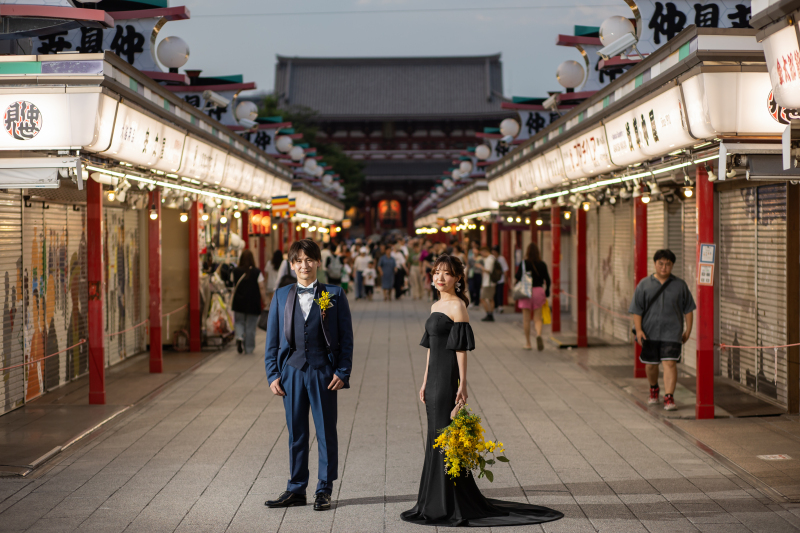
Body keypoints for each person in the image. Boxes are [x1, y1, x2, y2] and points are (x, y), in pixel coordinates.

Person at [401, 254, 563, 527]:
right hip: (433, 380)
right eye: (437, 272)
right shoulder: (435, 305)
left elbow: (461, 349)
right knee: (436, 437)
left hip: (447, 378)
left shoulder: (457, 306)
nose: (440, 277)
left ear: (458, 278)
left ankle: (448, 502)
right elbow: (431, 348)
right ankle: (434, 499)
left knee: (445, 437)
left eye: (447, 273)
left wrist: (463, 383)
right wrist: (425, 380)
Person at [264, 239, 354, 511]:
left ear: (318, 262)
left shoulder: (334, 294)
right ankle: (296, 488)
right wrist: (272, 374)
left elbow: (346, 337)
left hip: (323, 372)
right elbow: (272, 340)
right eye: (299, 261)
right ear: (292, 265)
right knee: (296, 432)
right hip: (291, 372)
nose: (304, 265)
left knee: (326, 432)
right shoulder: (281, 295)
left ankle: (324, 489)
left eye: (309, 260)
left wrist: (342, 371)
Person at [630, 249, 696, 411]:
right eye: (661, 263)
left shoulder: (680, 285)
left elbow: (688, 309)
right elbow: (637, 310)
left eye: (668, 264)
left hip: (672, 333)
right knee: (651, 365)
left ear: (672, 265)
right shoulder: (644, 284)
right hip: (649, 332)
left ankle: (669, 397)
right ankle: (654, 388)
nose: (664, 267)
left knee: (670, 363)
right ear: (654, 263)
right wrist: (639, 330)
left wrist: (688, 331)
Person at [515, 243, 551, 351]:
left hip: (526, 292)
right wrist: (547, 291)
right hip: (538, 291)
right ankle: (538, 334)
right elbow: (548, 280)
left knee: (526, 319)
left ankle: (528, 343)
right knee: (538, 318)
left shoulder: (524, 263)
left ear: (527, 252)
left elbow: (517, 277)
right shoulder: (542, 264)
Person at [231, 249, 267, 354]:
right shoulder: (257, 272)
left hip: (238, 302)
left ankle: (239, 337)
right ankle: (249, 348)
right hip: (253, 303)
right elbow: (261, 287)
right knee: (250, 326)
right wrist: (264, 300)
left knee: (239, 322)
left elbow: (233, 285)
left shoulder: (235, 271)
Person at [477, 246, 497, 321]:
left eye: (481, 253)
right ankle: (490, 314)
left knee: (482, 298)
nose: (481, 254)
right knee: (490, 299)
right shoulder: (492, 258)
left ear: (485, 252)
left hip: (488, 282)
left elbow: (488, 270)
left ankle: (489, 314)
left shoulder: (489, 259)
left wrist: (480, 267)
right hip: (489, 282)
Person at [492, 245, 509, 314]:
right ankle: (495, 306)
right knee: (494, 293)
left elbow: (505, 269)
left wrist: (506, 278)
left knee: (500, 293)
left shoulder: (501, 259)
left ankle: (500, 306)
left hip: (500, 279)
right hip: (493, 279)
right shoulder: (492, 258)